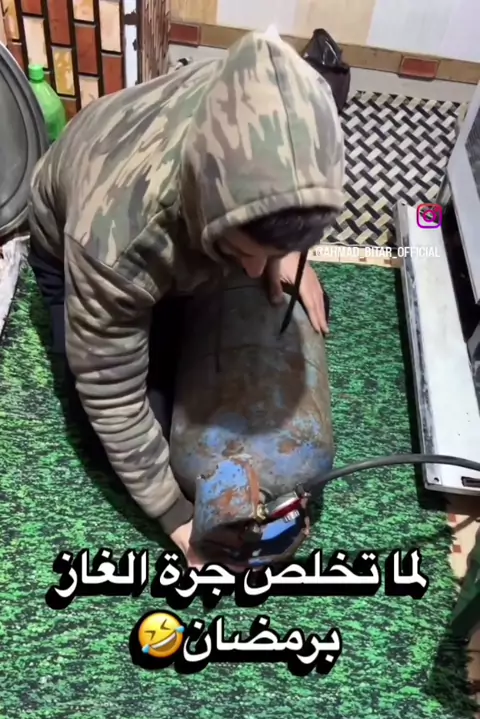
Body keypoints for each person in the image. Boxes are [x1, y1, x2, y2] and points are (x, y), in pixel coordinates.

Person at [28, 29, 345, 568]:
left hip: (173, 213)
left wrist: (288, 251)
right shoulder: (115, 246)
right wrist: (174, 514)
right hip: (70, 242)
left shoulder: (264, 91)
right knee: (130, 427)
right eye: (244, 251)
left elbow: (288, 179)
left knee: (277, 303)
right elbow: (111, 393)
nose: (252, 269)